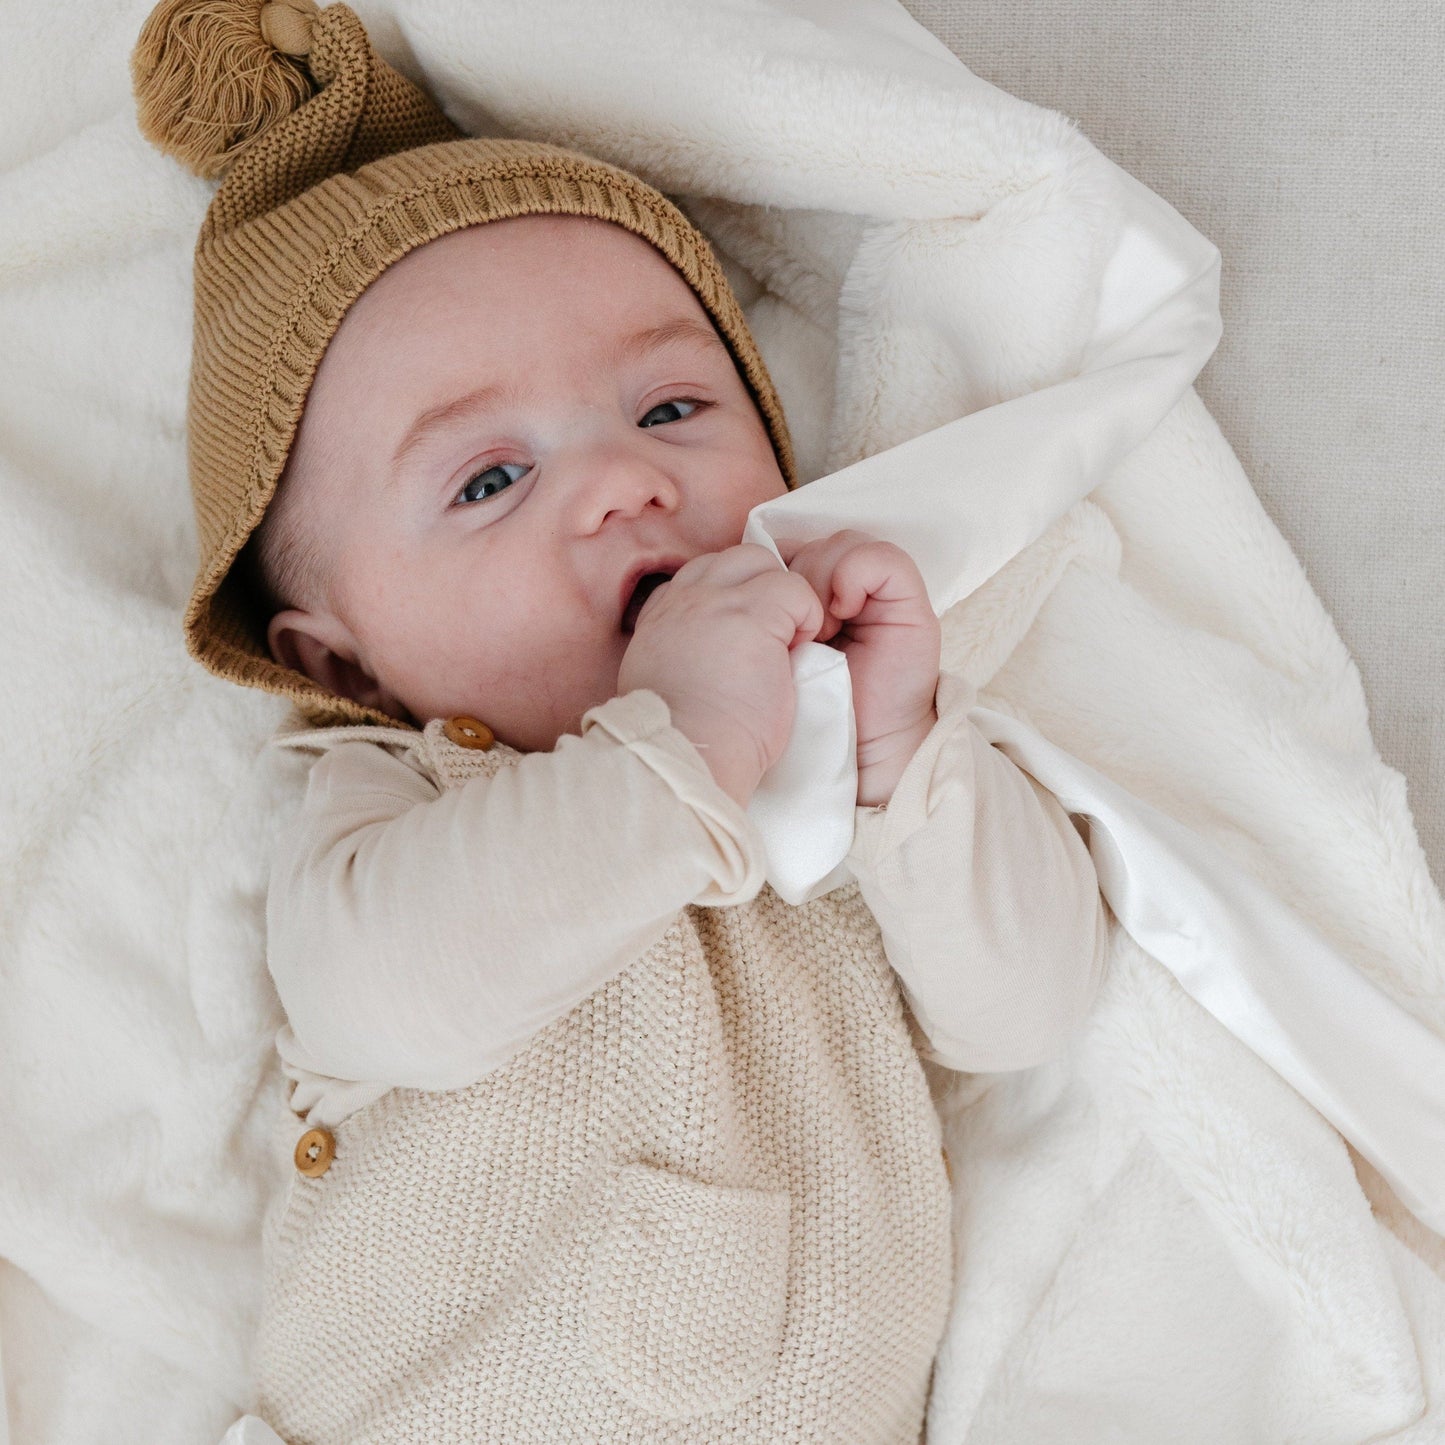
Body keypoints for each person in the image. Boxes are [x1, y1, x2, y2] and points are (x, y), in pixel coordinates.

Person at [132, 1, 1109, 1439]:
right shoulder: (395, 808)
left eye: (667, 406)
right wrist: (677, 750)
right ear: (336, 662)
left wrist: (905, 757)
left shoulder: (833, 751)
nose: (621, 482)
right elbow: (399, 989)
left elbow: (1032, 1010)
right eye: (487, 481)